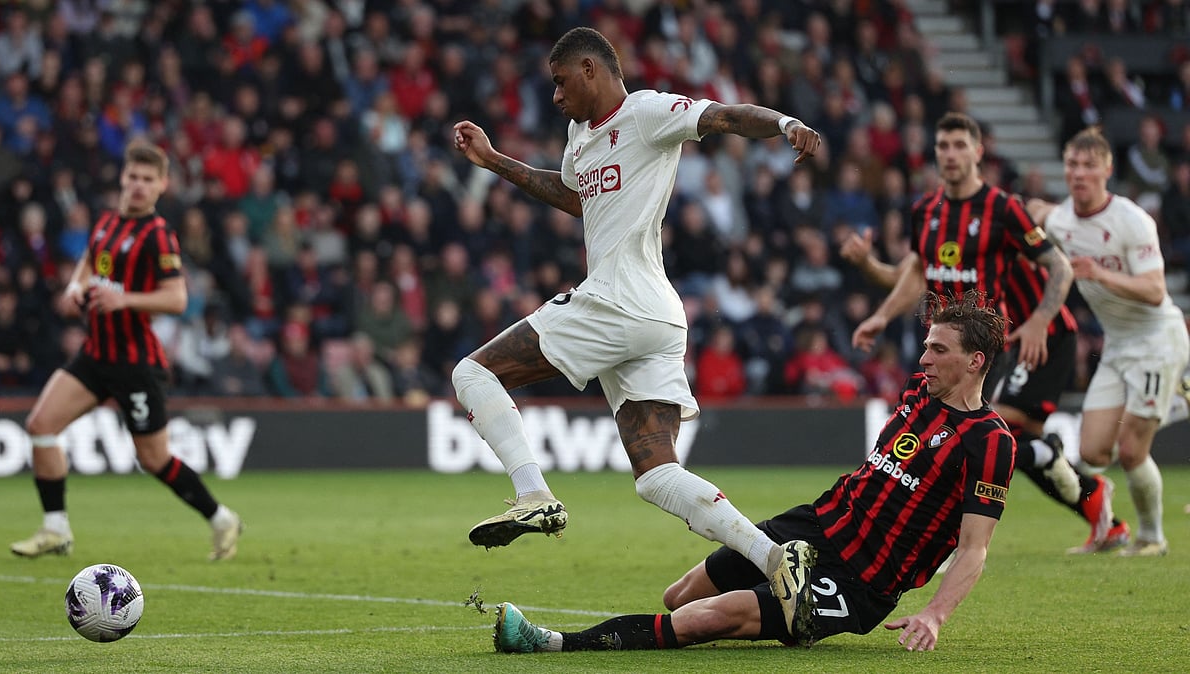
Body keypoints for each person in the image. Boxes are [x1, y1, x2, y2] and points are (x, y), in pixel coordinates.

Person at [450, 26, 821, 629]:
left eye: (561, 82)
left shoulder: (649, 113)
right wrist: (494, 162)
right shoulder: (578, 139)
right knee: (656, 476)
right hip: (656, 317)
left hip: (618, 301)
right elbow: (575, 199)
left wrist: (783, 124)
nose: (556, 96)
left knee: (472, 372)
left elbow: (724, 118)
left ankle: (535, 496)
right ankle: (777, 559)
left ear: (592, 69)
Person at [493, 290, 1016, 654]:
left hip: (860, 579)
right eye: (925, 345)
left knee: (706, 620)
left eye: (938, 349)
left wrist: (934, 615)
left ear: (974, 362)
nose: (923, 357)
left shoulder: (990, 442)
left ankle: (553, 642)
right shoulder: (918, 393)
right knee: (681, 598)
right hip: (812, 527)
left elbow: (973, 548)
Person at [846, 112, 1121, 554]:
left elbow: (1059, 266)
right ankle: (1087, 494)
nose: (950, 155)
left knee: (971, 439)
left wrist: (1037, 322)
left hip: (989, 348)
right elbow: (916, 272)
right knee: (990, 441)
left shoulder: (1002, 208)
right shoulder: (925, 211)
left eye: (959, 146)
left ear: (978, 152)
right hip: (942, 347)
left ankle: (934, 542)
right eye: (943, 146)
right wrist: (880, 312)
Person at [9, 140, 243, 561]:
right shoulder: (106, 224)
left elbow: (176, 299)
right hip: (96, 353)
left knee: (153, 459)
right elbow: (90, 260)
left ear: (162, 186)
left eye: (148, 180)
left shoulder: (158, 236)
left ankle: (222, 518)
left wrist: (126, 300)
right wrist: (76, 285)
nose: (138, 185)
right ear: (123, 178)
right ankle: (55, 528)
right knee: (41, 424)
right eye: (133, 176)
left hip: (136, 363)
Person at [1026, 128, 1190, 557]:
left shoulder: (1132, 220)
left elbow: (1156, 291)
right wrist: (1030, 207)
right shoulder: (1062, 219)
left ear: (1107, 170)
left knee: (1133, 451)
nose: (1078, 174)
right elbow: (1036, 211)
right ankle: (1177, 400)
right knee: (1092, 451)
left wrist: (1100, 274)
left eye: (1088, 166)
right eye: (1072, 165)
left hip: (1157, 339)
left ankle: (1151, 537)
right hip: (1118, 346)